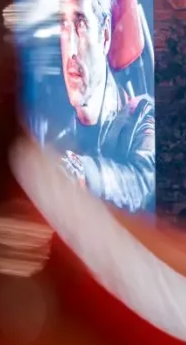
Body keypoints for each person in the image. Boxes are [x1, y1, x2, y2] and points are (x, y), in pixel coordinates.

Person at [58, 0, 155, 213]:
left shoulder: (142, 116)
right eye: (64, 25)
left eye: (81, 24)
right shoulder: (57, 135)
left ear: (105, 36)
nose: (71, 48)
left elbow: (143, 180)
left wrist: (83, 172)